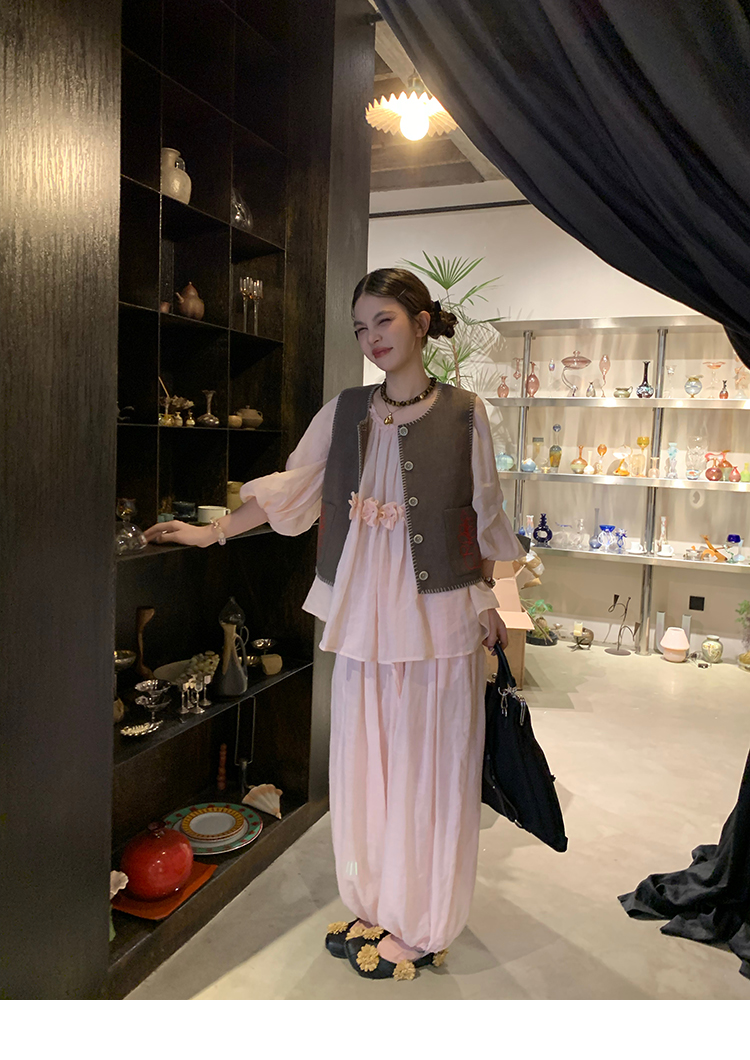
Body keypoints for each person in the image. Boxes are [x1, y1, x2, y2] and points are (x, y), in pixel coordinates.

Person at [144, 267, 521, 981]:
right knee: (364, 763)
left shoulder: (467, 412)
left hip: (438, 616)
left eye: (384, 320)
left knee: (429, 769)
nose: (371, 338)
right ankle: (375, 902)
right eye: (360, 328)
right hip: (363, 612)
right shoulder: (344, 410)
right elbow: (290, 492)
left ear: (420, 322)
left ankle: (423, 923)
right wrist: (210, 532)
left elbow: (484, 517)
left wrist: (489, 603)